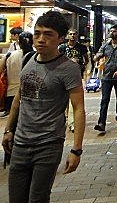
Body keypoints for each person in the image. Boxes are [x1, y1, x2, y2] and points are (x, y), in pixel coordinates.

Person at [1, 11, 85, 202]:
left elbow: (78, 108)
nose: (40, 39)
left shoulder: (68, 68)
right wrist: (8, 130)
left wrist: (76, 150)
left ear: (60, 39)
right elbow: (19, 99)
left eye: (48, 34)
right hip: (20, 143)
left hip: (48, 144)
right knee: (16, 197)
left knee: (38, 198)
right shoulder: (28, 59)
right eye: (37, 33)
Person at [93, 24, 117, 133]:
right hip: (107, 76)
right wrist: (97, 57)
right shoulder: (105, 46)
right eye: (110, 31)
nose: (111, 33)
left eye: (114, 31)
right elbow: (96, 57)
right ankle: (101, 123)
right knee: (105, 100)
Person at [0, 32, 34, 117]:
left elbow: (0, 69)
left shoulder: (10, 55)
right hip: (31, 94)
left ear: (19, 42)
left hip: (10, 93)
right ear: (33, 41)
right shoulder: (37, 55)